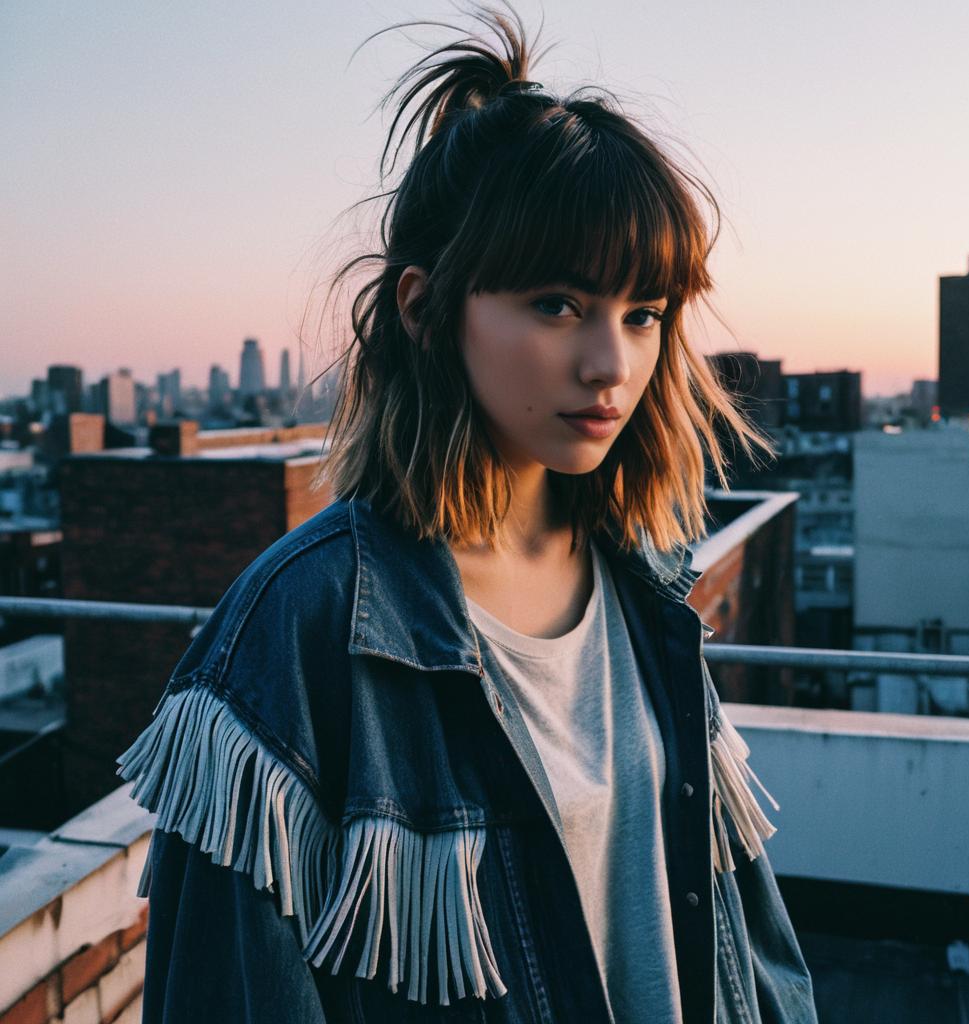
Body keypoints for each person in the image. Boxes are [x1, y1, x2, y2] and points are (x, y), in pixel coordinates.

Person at [115, 3, 818, 1021]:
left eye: (644, 314)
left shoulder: (647, 583)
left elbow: (749, 954)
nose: (610, 363)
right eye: (556, 304)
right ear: (422, 307)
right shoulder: (292, 633)